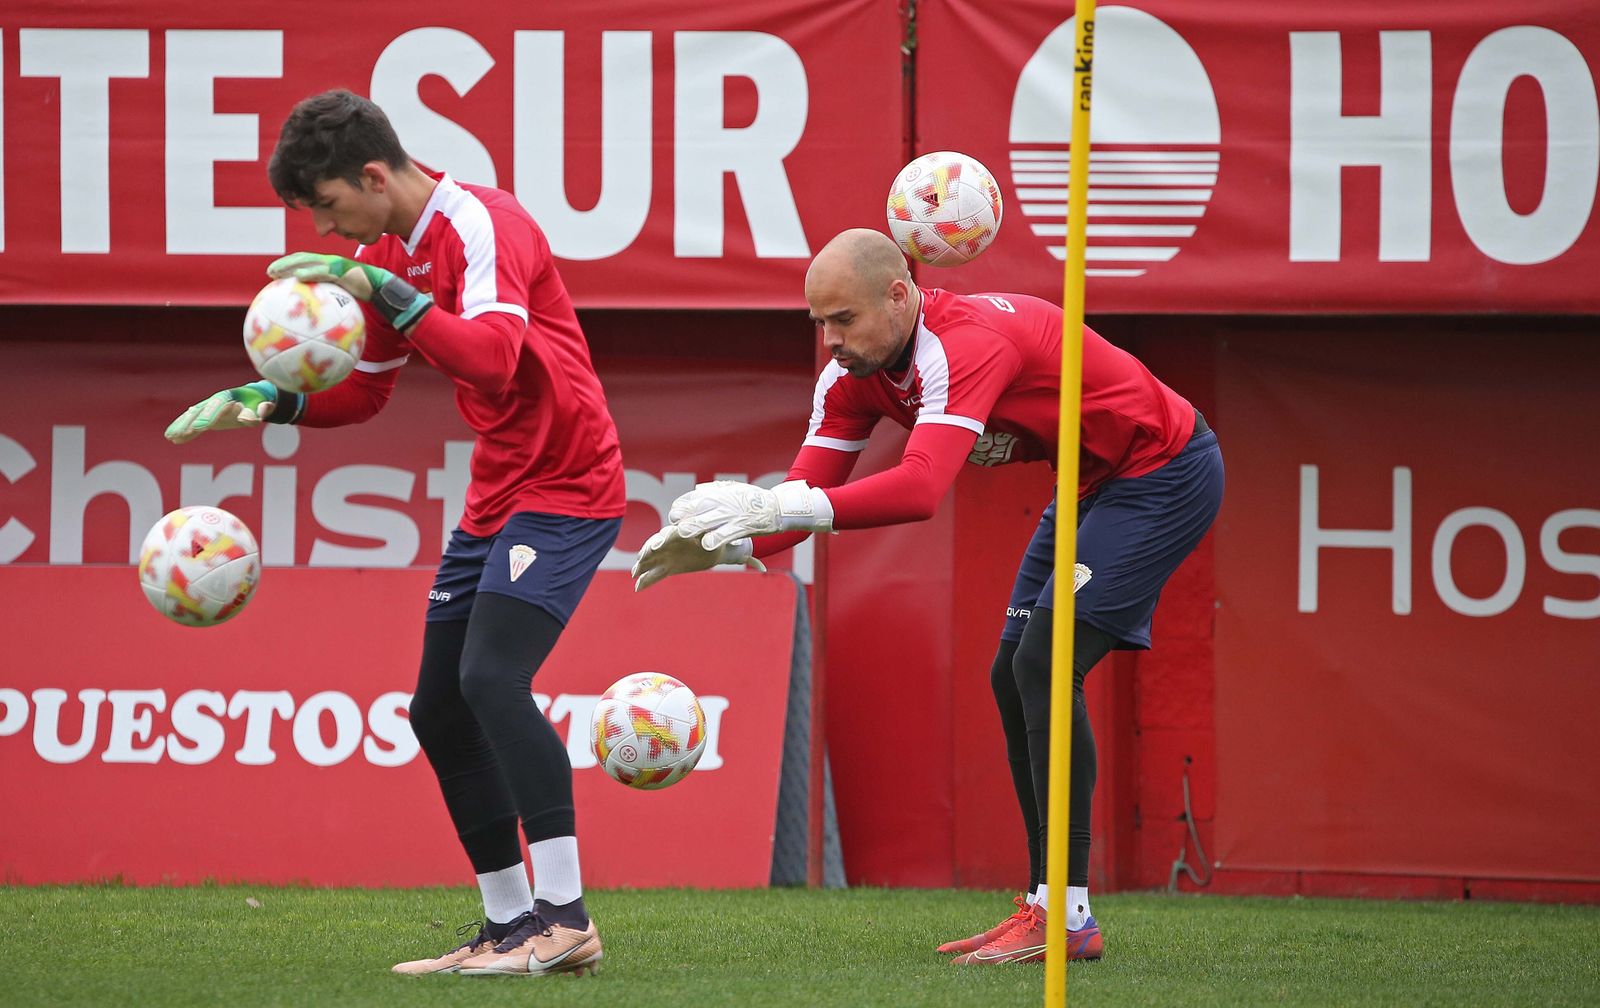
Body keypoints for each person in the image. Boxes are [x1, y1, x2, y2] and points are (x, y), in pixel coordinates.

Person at [633, 228, 1224, 965]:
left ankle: (1068, 919)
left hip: (1162, 471)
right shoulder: (850, 377)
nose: (829, 341)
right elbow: (803, 499)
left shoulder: (961, 344)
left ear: (900, 295)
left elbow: (918, 490)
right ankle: (1045, 905)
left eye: (843, 320)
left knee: (1044, 663)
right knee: (1012, 677)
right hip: (1086, 487)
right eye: (818, 322)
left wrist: (776, 509)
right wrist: (729, 545)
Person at [165, 89, 622, 978]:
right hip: (497, 492)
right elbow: (367, 391)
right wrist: (274, 401)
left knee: (492, 678)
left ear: (373, 174)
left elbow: (491, 359)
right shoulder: (382, 254)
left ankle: (566, 921)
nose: (331, 234)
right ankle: (508, 925)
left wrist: (390, 291)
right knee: (437, 707)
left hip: (570, 483)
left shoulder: (486, 223)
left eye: (330, 207)